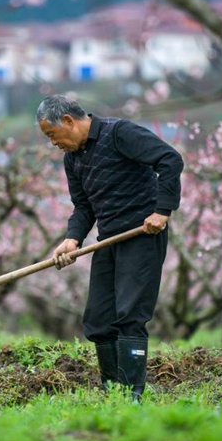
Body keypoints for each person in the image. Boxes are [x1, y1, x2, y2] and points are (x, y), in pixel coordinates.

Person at [36, 94, 184, 401]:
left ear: (68, 121)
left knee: (130, 314)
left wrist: (162, 211)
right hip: (109, 239)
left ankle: (132, 395)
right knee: (99, 318)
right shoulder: (73, 158)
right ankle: (112, 391)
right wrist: (72, 238)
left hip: (141, 235)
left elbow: (170, 159)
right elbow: (83, 206)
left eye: (52, 135)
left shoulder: (119, 133)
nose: (53, 143)